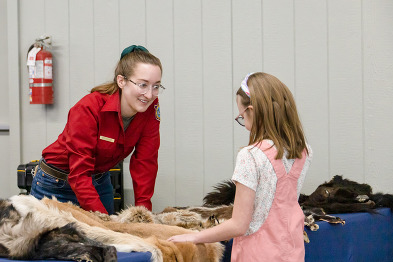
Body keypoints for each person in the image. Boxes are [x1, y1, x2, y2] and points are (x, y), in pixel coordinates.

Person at [168, 72, 313, 261]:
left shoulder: (251, 156)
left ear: (252, 111)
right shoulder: (304, 151)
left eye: (242, 117)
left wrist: (194, 236)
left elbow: (238, 225)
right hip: (293, 252)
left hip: (256, 253)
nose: (245, 126)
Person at [30, 45, 164, 215]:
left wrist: (143, 214)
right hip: (56, 184)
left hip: (98, 182)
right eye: (143, 85)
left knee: (108, 238)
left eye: (156, 86)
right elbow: (79, 173)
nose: (149, 94)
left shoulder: (150, 109)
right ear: (121, 81)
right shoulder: (89, 108)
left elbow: (146, 162)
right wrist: (103, 222)